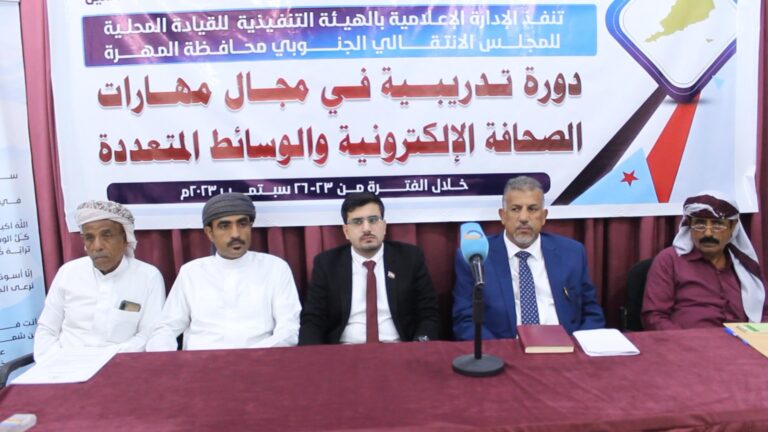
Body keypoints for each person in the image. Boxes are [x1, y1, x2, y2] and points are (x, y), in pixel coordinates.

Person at [453, 176, 605, 340]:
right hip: (504, 350)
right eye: (515, 209)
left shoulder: (572, 253)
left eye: (532, 209)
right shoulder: (476, 257)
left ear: (544, 216)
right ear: (503, 216)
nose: (524, 218)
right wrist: (501, 351)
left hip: (565, 347)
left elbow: (591, 312)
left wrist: (576, 347)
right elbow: (465, 321)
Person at [146, 193, 301, 351]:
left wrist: (249, 357)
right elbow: (167, 328)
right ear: (210, 233)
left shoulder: (275, 268)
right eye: (224, 226)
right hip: (200, 361)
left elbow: (288, 331)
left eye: (242, 224)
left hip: (261, 358)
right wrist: (164, 359)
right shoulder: (191, 272)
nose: (235, 234)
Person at [299, 192, 439, 344]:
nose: (366, 228)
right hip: (344, 350)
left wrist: (419, 346)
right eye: (357, 222)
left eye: (373, 220)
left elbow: (429, 313)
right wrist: (313, 355)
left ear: (384, 226)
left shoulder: (409, 258)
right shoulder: (327, 264)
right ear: (346, 231)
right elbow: (313, 320)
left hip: (399, 348)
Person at [34, 200, 166, 360]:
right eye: (89, 238)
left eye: (107, 235)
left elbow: (149, 333)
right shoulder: (68, 272)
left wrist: (108, 358)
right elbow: (47, 328)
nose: (97, 246)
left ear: (125, 239)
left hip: (120, 363)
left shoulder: (148, 276)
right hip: (66, 363)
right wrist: (53, 361)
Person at [642, 192, 768, 330]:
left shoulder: (745, 265)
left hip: (742, 340)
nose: (708, 233)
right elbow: (654, 317)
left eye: (717, 225)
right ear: (689, 225)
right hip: (687, 341)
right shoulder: (669, 260)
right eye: (700, 224)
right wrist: (684, 340)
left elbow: (764, 312)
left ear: (732, 227)